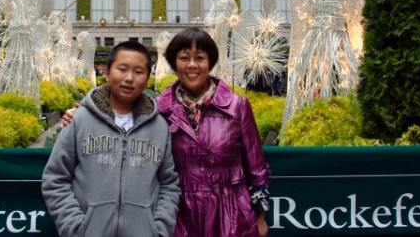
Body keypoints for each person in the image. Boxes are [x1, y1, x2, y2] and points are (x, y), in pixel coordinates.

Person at [62, 28, 271, 237]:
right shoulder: (157, 109)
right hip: (179, 217)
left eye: (200, 58)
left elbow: (256, 168)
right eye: (183, 58)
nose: (192, 65)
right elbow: (117, 115)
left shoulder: (237, 106)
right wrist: (80, 115)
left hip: (231, 215)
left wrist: (259, 216)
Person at [42, 41, 180, 237]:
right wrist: (75, 227)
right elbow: (55, 178)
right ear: (107, 73)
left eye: (139, 72)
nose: (129, 78)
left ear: (148, 78)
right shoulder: (79, 120)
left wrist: (159, 229)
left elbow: (169, 184)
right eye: (122, 69)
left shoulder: (159, 128)